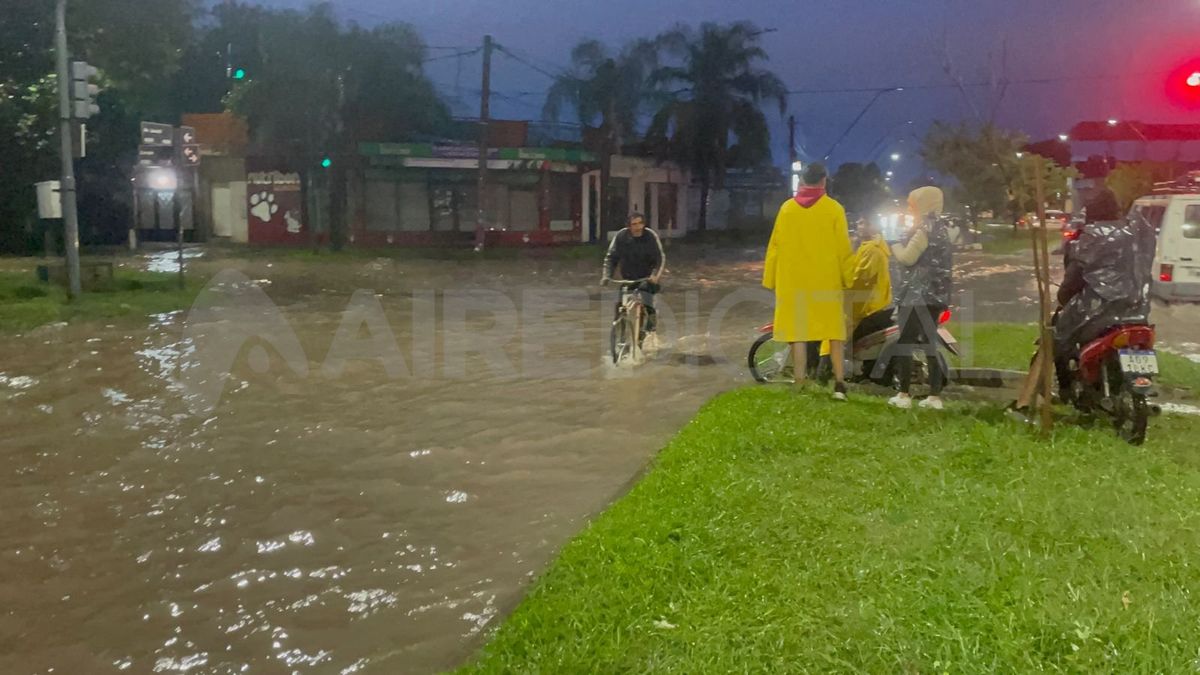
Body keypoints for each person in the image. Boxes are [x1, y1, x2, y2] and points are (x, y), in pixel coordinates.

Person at [762, 162, 854, 400]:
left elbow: (774, 246)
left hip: (793, 281)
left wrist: (770, 279)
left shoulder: (787, 209)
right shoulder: (834, 209)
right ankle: (840, 384)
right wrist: (849, 277)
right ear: (824, 181)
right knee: (833, 333)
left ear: (803, 181)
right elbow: (843, 248)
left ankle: (800, 381)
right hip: (826, 280)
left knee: (798, 332)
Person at [1052, 188, 1155, 398]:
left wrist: (1063, 298)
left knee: (1060, 338)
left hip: (1098, 313)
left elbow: (1074, 278)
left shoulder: (1091, 238)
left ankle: (1065, 391)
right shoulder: (1136, 233)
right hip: (1136, 311)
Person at [887, 186, 953, 410]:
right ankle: (934, 397)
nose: (909, 208)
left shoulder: (924, 230)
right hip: (935, 295)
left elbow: (907, 258)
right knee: (929, 344)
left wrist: (893, 242)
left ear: (923, 205)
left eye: (912, 204)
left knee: (905, 343)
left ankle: (903, 395)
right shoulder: (943, 229)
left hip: (915, 296)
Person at [601, 212, 666, 335]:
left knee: (646, 299)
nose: (637, 227)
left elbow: (660, 258)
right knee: (620, 306)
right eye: (634, 224)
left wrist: (655, 275)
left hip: (648, 278)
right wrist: (606, 275)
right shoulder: (621, 236)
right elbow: (611, 257)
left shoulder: (650, 236)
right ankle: (620, 335)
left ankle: (649, 326)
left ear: (644, 224)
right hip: (628, 278)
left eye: (640, 223)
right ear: (629, 226)